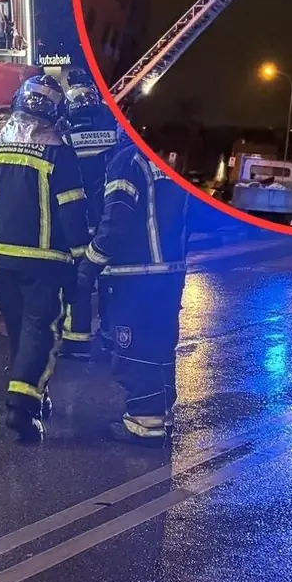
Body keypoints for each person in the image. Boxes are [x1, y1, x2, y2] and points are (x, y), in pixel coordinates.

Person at [0, 73, 90, 443]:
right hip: (46, 262)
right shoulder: (59, 151)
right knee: (40, 332)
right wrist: (82, 258)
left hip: (4, 261)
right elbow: (72, 211)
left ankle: (34, 393)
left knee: (19, 333)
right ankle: (21, 408)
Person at [76, 131, 190, 446]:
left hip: (135, 275)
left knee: (134, 350)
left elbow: (116, 221)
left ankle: (144, 422)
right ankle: (161, 414)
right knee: (160, 347)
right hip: (170, 273)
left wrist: (89, 265)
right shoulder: (167, 162)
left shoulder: (127, 162)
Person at [58, 78, 120, 363]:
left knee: (80, 278)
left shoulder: (66, 137)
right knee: (110, 280)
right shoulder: (113, 132)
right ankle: (111, 335)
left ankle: (77, 340)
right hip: (108, 216)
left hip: (80, 219)